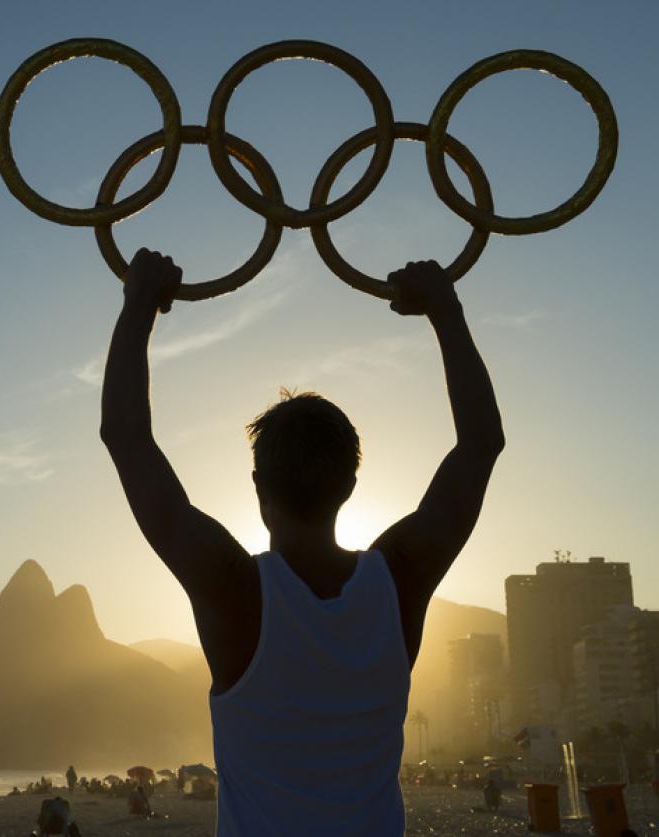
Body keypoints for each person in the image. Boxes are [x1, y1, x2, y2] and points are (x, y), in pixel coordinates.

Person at [100, 251, 504, 836]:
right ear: (351, 486)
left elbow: (127, 438)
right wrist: (444, 307)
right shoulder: (399, 578)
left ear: (259, 485)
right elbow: (480, 444)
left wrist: (141, 302)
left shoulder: (234, 590)